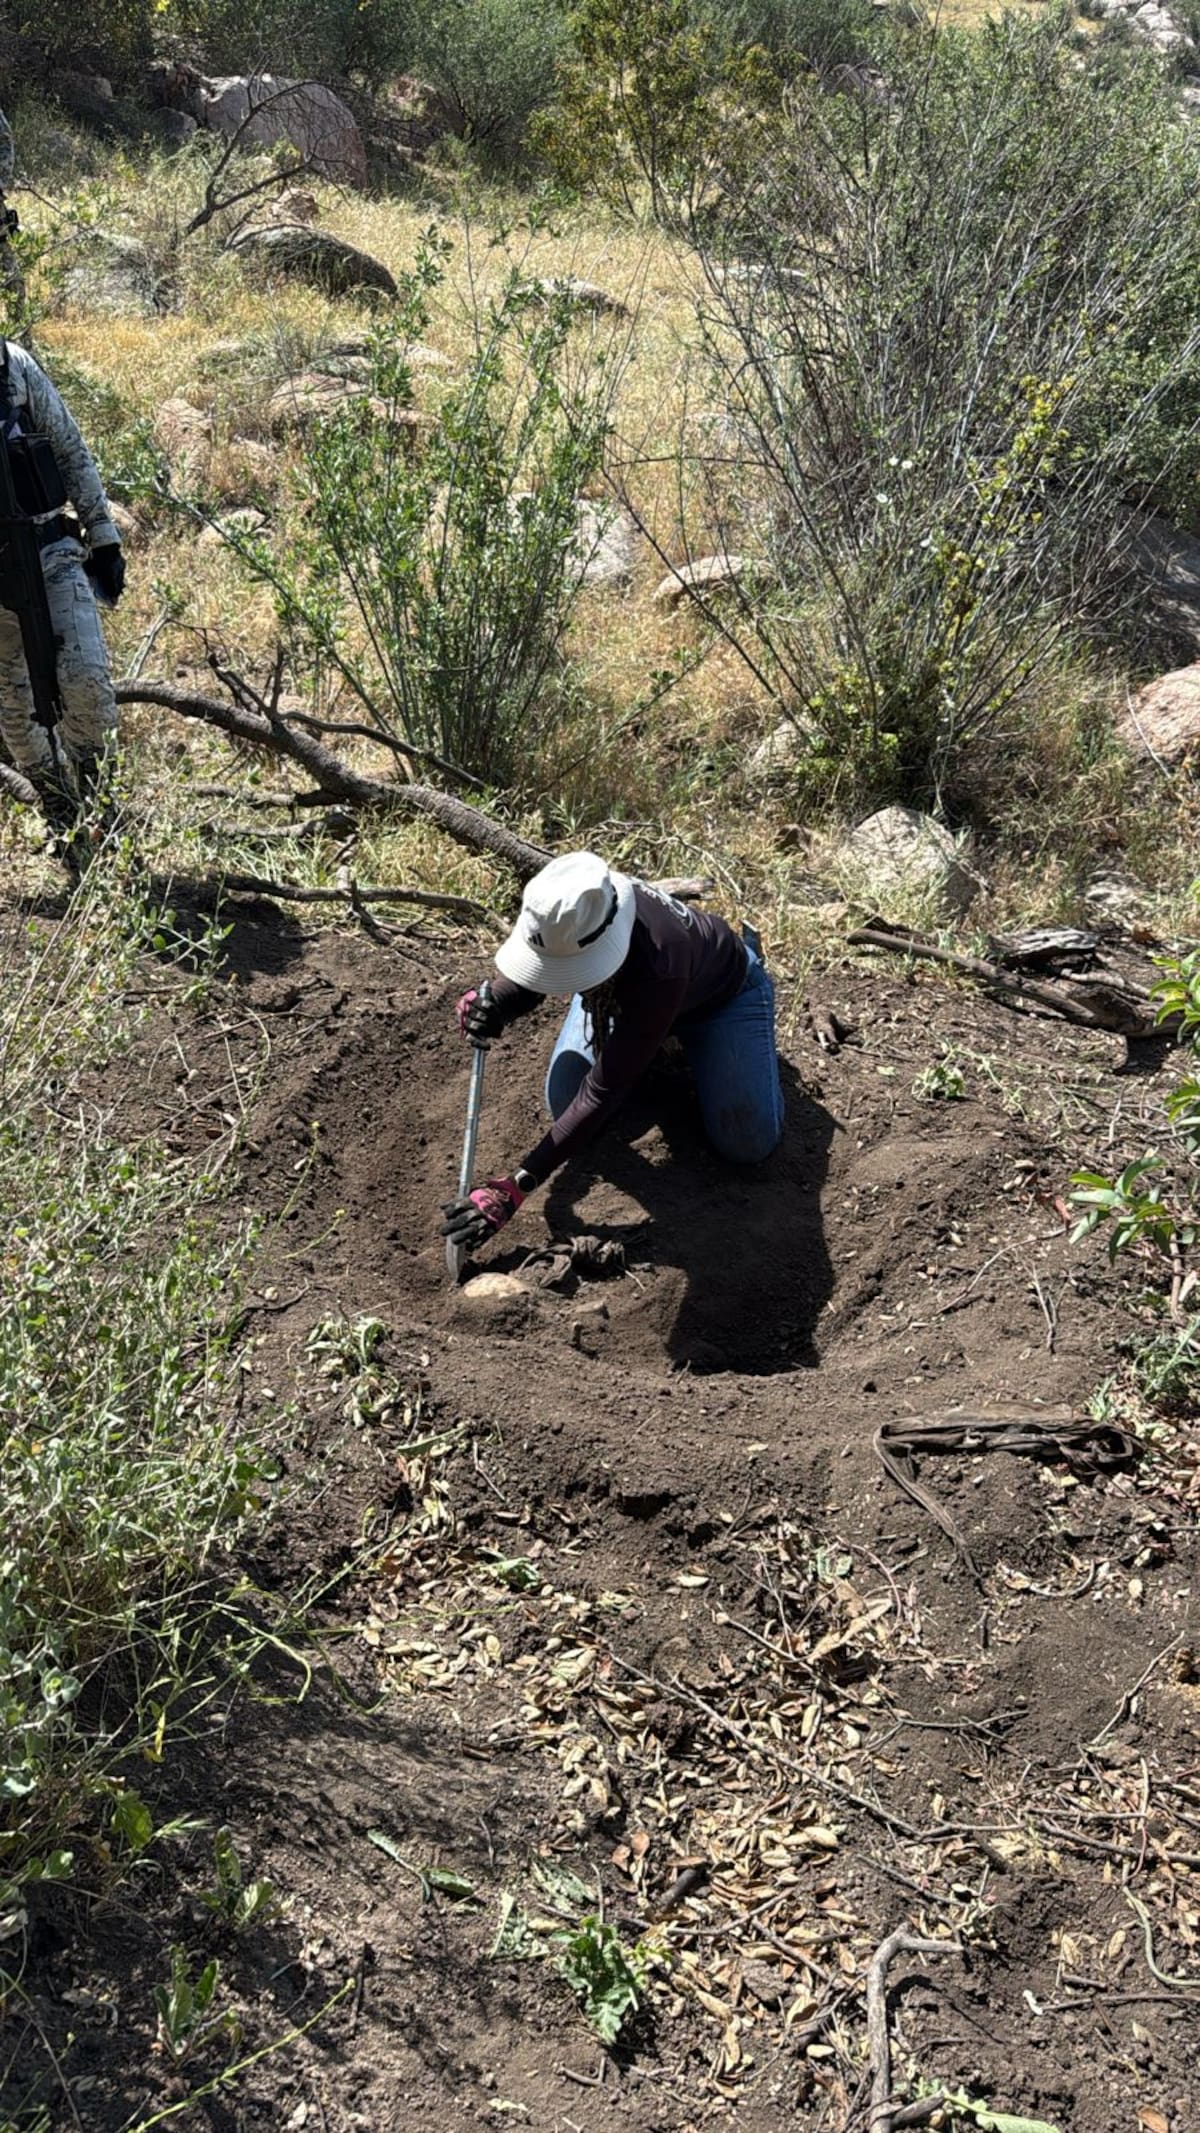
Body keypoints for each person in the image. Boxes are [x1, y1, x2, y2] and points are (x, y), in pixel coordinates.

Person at [441, 851, 785, 1256]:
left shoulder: (661, 958)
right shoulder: (573, 904)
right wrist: (494, 1002)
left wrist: (516, 1187)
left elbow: (601, 1093)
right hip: (627, 998)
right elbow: (541, 968)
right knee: (565, 1102)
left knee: (746, 1142)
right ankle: (649, 1046)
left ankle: (685, 1043)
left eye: (575, 970)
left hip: (722, 999)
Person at [0, 336, 125, 853]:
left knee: (87, 683)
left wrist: (104, 536)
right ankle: (59, 810)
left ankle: (101, 809)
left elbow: (70, 449)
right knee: (15, 708)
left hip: (49, 548)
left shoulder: (15, 367)